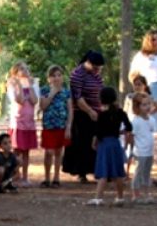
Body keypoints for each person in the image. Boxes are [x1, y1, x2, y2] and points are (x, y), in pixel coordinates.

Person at [62, 50, 105, 183]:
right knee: (82, 143)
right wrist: (89, 110)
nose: (97, 69)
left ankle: (95, 170)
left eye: (99, 67)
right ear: (88, 63)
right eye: (95, 67)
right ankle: (81, 172)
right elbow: (77, 97)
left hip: (96, 111)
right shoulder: (78, 74)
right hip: (82, 113)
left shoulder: (96, 75)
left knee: (94, 142)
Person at [87, 87, 132, 206]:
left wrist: (94, 141)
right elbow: (129, 127)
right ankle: (120, 197)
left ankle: (98, 198)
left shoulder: (102, 115)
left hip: (105, 144)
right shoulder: (121, 113)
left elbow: (98, 131)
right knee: (118, 171)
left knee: (103, 171)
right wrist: (120, 132)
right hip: (116, 143)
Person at [38, 64, 72, 189]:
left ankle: (56, 178)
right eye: (53, 76)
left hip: (61, 126)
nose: (56, 78)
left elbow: (70, 110)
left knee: (58, 152)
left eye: (59, 75)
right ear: (49, 79)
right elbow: (43, 106)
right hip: (48, 126)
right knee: (49, 152)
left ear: (62, 77)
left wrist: (68, 126)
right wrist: (52, 93)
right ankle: (46, 178)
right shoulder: (44, 90)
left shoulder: (66, 93)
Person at [6, 61, 39, 186]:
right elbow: (19, 100)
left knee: (26, 152)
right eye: (21, 69)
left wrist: (29, 87)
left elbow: (35, 101)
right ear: (15, 73)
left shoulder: (32, 84)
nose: (25, 71)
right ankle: (15, 175)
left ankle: (25, 177)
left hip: (29, 123)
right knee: (16, 151)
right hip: (17, 122)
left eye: (26, 68)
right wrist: (19, 85)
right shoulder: (12, 85)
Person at [128, 92, 157, 203]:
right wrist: (131, 150)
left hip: (149, 152)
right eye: (143, 105)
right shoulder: (135, 121)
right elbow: (131, 136)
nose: (147, 107)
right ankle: (135, 195)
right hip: (140, 152)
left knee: (147, 173)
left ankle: (146, 194)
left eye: (148, 104)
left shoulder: (151, 120)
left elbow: (153, 133)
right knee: (138, 173)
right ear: (137, 107)